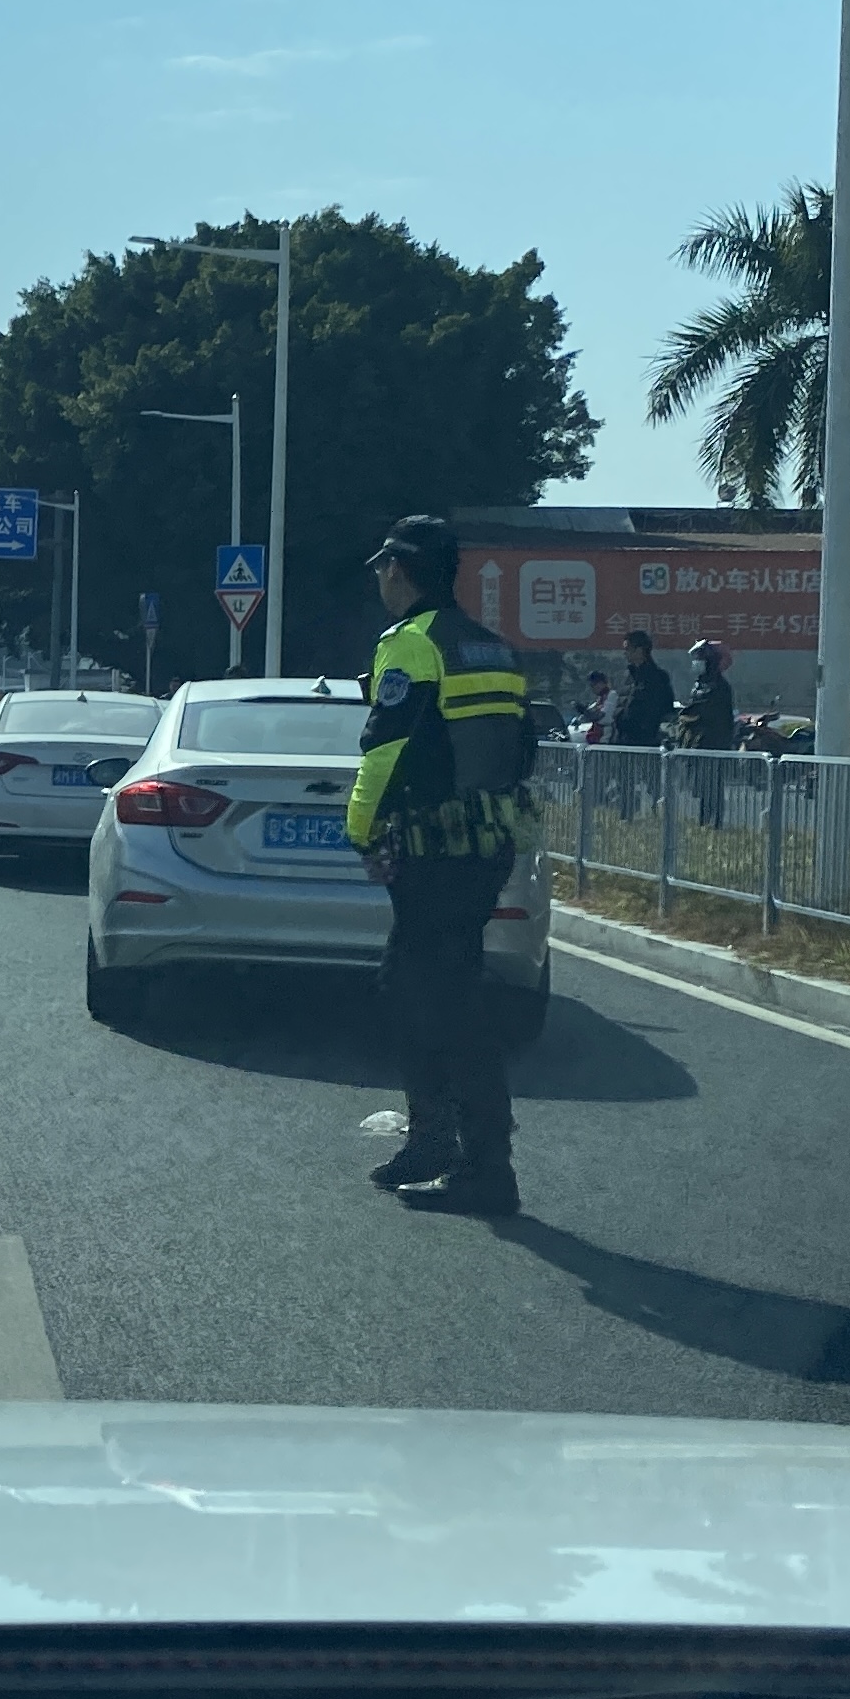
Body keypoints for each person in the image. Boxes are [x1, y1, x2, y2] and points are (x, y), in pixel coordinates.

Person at [348, 514, 539, 1216]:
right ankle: (434, 1141)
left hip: (434, 847)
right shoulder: (491, 646)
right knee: (418, 987)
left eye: (382, 568)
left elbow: (386, 748)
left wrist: (360, 830)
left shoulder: (411, 644)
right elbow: (522, 749)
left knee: (444, 1001)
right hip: (487, 842)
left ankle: (483, 1167)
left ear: (398, 569)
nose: (379, 578)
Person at [676, 640, 737, 824]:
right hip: (697, 743)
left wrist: (688, 714)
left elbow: (705, 712)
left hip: (713, 743)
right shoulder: (699, 684)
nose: (697, 662)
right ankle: (703, 820)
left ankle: (715, 822)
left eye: (700, 658)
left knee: (713, 786)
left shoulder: (719, 686)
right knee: (700, 786)